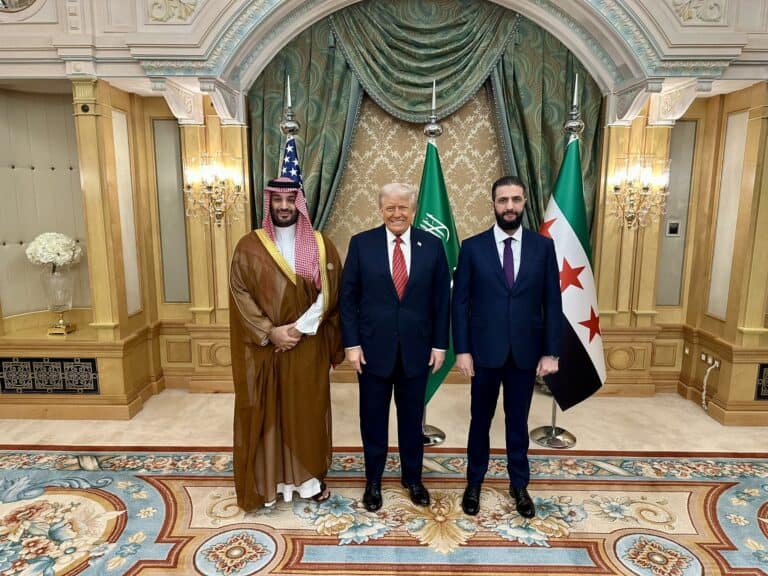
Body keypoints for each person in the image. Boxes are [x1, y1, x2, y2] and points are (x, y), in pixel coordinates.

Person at [229, 176, 344, 511]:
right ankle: (270, 482)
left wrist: (296, 330)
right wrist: (270, 331)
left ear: (300, 204)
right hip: (265, 348)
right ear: (269, 203)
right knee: (268, 412)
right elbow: (240, 294)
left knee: (306, 411)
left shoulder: (322, 245)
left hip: (307, 347)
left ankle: (307, 481)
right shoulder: (249, 245)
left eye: (290, 200)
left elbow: (332, 294)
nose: (283, 206)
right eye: (277, 200)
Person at [452, 175, 562, 518]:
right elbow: (460, 303)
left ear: (525, 201)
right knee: (479, 421)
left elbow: (552, 302)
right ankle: (474, 483)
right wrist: (463, 350)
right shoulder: (472, 247)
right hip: (483, 352)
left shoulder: (542, 247)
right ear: (493, 204)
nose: (510, 207)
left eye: (516, 199)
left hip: (525, 354)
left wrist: (551, 351)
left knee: (518, 421)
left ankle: (519, 485)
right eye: (503, 200)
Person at [340, 182, 451, 512]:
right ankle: (373, 480)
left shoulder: (432, 245)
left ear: (413, 209)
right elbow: (348, 300)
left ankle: (412, 478)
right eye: (390, 207)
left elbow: (441, 301)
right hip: (372, 351)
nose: (397, 213)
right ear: (381, 210)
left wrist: (440, 345)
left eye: (403, 207)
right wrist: (352, 344)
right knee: (372, 419)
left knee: (412, 420)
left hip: (417, 351)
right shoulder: (362, 244)